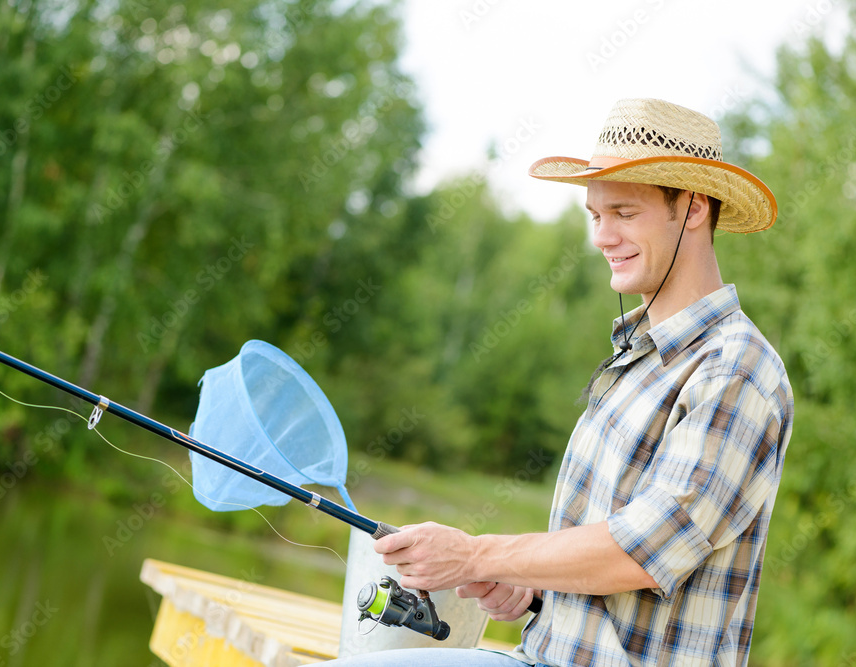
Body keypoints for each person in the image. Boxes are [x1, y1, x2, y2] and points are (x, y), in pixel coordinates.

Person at [325, 98, 794, 666]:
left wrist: (475, 556)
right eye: (595, 215)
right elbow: (610, 559)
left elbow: (642, 554)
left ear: (693, 208)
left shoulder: (736, 368)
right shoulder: (640, 358)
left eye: (623, 212)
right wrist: (530, 590)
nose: (602, 236)